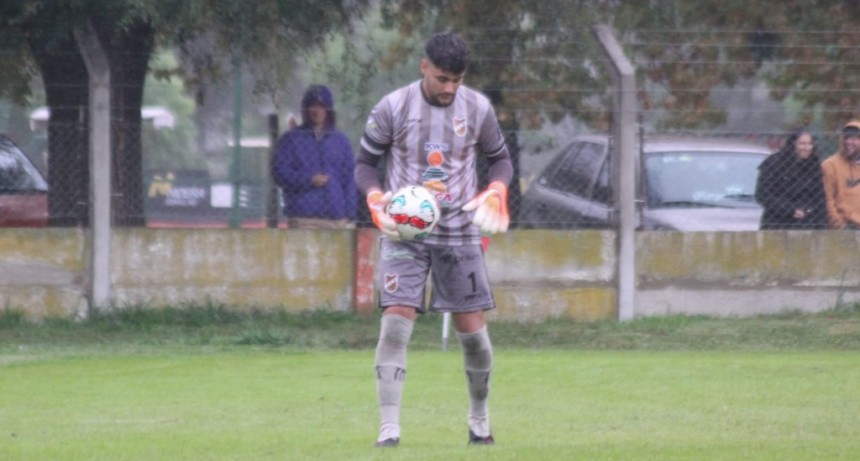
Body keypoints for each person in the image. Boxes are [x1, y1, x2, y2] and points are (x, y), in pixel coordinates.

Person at [354, 31, 513, 448]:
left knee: (473, 332)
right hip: (404, 232)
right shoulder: (392, 106)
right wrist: (374, 198)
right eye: (442, 78)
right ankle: (388, 431)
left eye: (456, 80)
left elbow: (500, 160)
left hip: (459, 233)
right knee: (394, 324)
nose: (449, 88)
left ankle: (479, 419)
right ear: (424, 66)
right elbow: (365, 165)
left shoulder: (478, 108)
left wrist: (497, 190)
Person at [273, 85, 357, 229]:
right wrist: (308, 180)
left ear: (328, 110)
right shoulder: (291, 139)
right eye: (312, 105)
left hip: (337, 219)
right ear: (305, 110)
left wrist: (350, 215)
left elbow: (350, 179)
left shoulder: (340, 141)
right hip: (303, 218)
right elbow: (280, 173)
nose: (316, 110)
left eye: (321, 106)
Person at [754, 127, 827, 229]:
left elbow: (819, 198)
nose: (806, 148)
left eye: (809, 144)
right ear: (793, 144)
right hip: (776, 223)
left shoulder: (814, 166)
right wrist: (789, 209)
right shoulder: (773, 164)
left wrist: (819, 223)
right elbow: (762, 195)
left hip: (806, 225)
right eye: (802, 144)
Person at [821, 120, 860, 229]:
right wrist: (841, 226)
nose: (848, 142)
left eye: (853, 138)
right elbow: (827, 200)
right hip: (844, 229)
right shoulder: (830, 165)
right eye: (846, 137)